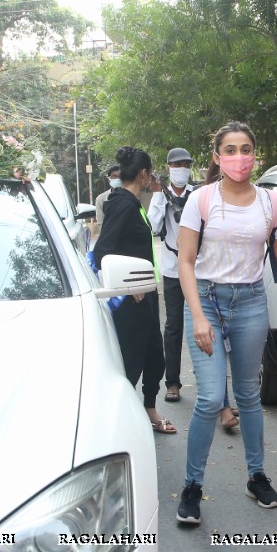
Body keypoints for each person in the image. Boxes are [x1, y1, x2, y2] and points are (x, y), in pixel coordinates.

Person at [174, 121, 277, 527]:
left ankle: (256, 475)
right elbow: (184, 261)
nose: (238, 158)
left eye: (245, 149)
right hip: (208, 303)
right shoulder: (201, 199)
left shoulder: (271, 203)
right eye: (229, 150)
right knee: (212, 398)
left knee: (249, 395)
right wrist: (197, 315)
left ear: (255, 154)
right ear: (217, 157)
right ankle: (192, 485)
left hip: (250, 301)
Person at [93, 147, 175, 434]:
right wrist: (126, 286)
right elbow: (102, 251)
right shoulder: (124, 205)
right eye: (149, 174)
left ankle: (149, 409)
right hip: (131, 301)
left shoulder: (132, 201)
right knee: (131, 362)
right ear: (143, 174)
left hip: (146, 295)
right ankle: (117, 425)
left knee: (155, 357)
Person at [148, 147, 195, 404]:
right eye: (177, 165)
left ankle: (210, 385)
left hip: (199, 269)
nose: (181, 169)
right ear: (168, 168)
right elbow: (153, 227)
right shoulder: (161, 196)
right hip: (172, 271)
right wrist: (158, 198)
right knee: (173, 327)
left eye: (185, 164)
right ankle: (173, 383)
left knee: (204, 324)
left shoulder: (197, 194)